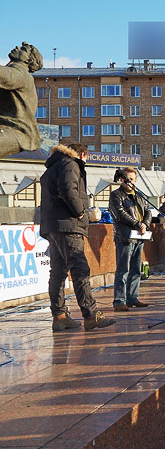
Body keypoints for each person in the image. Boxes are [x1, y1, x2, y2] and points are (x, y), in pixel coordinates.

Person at [40, 143, 115, 331]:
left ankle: (59, 316)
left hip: (53, 225)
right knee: (80, 268)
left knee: (57, 272)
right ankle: (90, 315)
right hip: (69, 225)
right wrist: (80, 212)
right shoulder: (70, 163)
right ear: (81, 154)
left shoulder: (51, 168)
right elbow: (68, 189)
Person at [109, 167, 152, 311]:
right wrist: (138, 224)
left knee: (136, 269)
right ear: (121, 179)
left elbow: (148, 211)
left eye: (132, 179)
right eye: (127, 179)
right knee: (123, 269)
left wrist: (145, 224)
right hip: (125, 237)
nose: (129, 182)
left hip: (140, 236)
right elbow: (120, 214)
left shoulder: (138, 195)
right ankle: (119, 301)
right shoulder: (116, 195)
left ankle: (133, 298)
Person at [0, 42, 44, 157]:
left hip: (18, 132)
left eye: (23, 49)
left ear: (28, 60)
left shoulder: (22, 74)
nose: (17, 48)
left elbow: (6, 76)